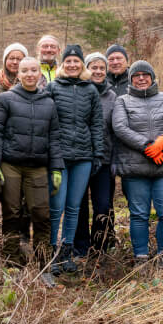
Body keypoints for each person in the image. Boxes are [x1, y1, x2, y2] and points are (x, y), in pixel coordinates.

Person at [0, 57, 60, 286]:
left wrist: (56, 168)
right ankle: (12, 263)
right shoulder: (5, 99)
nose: (29, 74)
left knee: (41, 214)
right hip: (11, 165)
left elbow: (54, 137)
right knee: (12, 213)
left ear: (40, 74)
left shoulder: (49, 102)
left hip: (38, 166)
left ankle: (44, 265)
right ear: (18, 74)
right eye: (25, 70)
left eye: (33, 70)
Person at [111, 60, 163, 267]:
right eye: (136, 75)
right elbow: (120, 128)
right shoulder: (122, 101)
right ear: (131, 79)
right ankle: (141, 258)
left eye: (145, 74)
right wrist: (147, 147)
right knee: (139, 215)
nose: (141, 78)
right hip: (135, 170)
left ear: (152, 77)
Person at [46, 44, 106, 275]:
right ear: (62, 65)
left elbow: (96, 124)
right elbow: (47, 124)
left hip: (83, 157)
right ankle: (51, 251)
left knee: (73, 207)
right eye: (68, 61)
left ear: (82, 65)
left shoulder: (90, 90)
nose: (72, 65)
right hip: (59, 158)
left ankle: (66, 253)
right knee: (56, 206)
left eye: (76, 61)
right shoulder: (52, 87)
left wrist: (97, 153)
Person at [72, 52, 118, 257]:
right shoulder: (77, 91)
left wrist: (115, 159)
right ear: (86, 69)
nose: (98, 71)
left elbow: (117, 130)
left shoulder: (112, 96)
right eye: (94, 67)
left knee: (103, 205)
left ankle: (100, 248)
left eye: (102, 68)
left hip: (105, 160)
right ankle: (80, 248)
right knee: (79, 205)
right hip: (79, 158)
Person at [0, 42, 30, 226]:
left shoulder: (29, 84)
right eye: (12, 58)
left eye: (19, 58)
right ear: (5, 60)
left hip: (19, 147)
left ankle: (16, 237)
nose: (15, 62)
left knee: (19, 197)